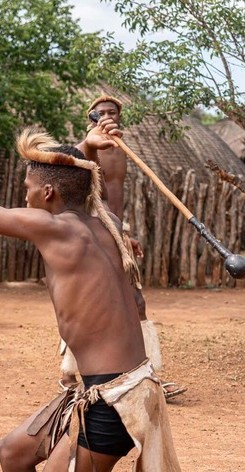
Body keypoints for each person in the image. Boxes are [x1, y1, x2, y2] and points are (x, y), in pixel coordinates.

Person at [0, 120, 180, 471]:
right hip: (113, 389)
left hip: (113, 400)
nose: (25, 196)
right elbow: (78, 181)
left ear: (48, 193)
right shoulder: (110, 224)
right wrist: (85, 148)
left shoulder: (53, 229)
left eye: (28, 188)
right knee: (13, 452)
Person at [58, 95, 187, 401]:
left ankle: (149, 374)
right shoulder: (85, 149)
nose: (106, 117)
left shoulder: (121, 150)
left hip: (112, 230)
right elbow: (81, 196)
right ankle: (69, 374)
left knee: (135, 303)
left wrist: (123, 233)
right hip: (89, 231)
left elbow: (114, 201)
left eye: (111, 112)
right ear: (89, 118)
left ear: (120, 117)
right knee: (88, 300)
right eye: (99, 113)